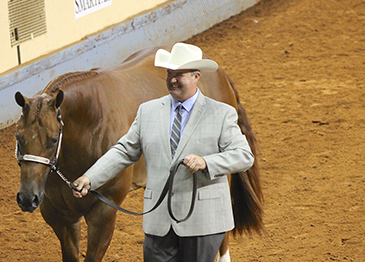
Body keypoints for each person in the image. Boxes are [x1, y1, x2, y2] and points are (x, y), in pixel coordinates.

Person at [72, 42, 254, 262]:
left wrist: (207, 162)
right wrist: (91, 177)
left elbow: (244, 155)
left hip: (203, 221)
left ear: (197, 76)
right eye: (169, 73)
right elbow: (124, 150)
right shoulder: (148, 111)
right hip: (159, 222)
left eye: (180, 74)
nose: (172, 79)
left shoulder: (220, 113)